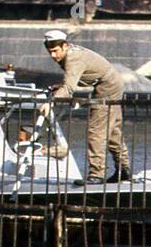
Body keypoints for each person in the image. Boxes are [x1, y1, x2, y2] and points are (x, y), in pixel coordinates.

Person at [40, 29, 131, 183]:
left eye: (55, 51)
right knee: (113, 130)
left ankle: (96, 175)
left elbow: (69, 89)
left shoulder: (73, 58)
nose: (53, 56)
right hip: (111, 82)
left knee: (96, 131)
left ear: (65, 46)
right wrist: (60, 88)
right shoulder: (71, 54)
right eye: (50, 52)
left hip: (107, 87)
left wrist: (50, 103)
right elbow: (74, 81)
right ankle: (124, 170)